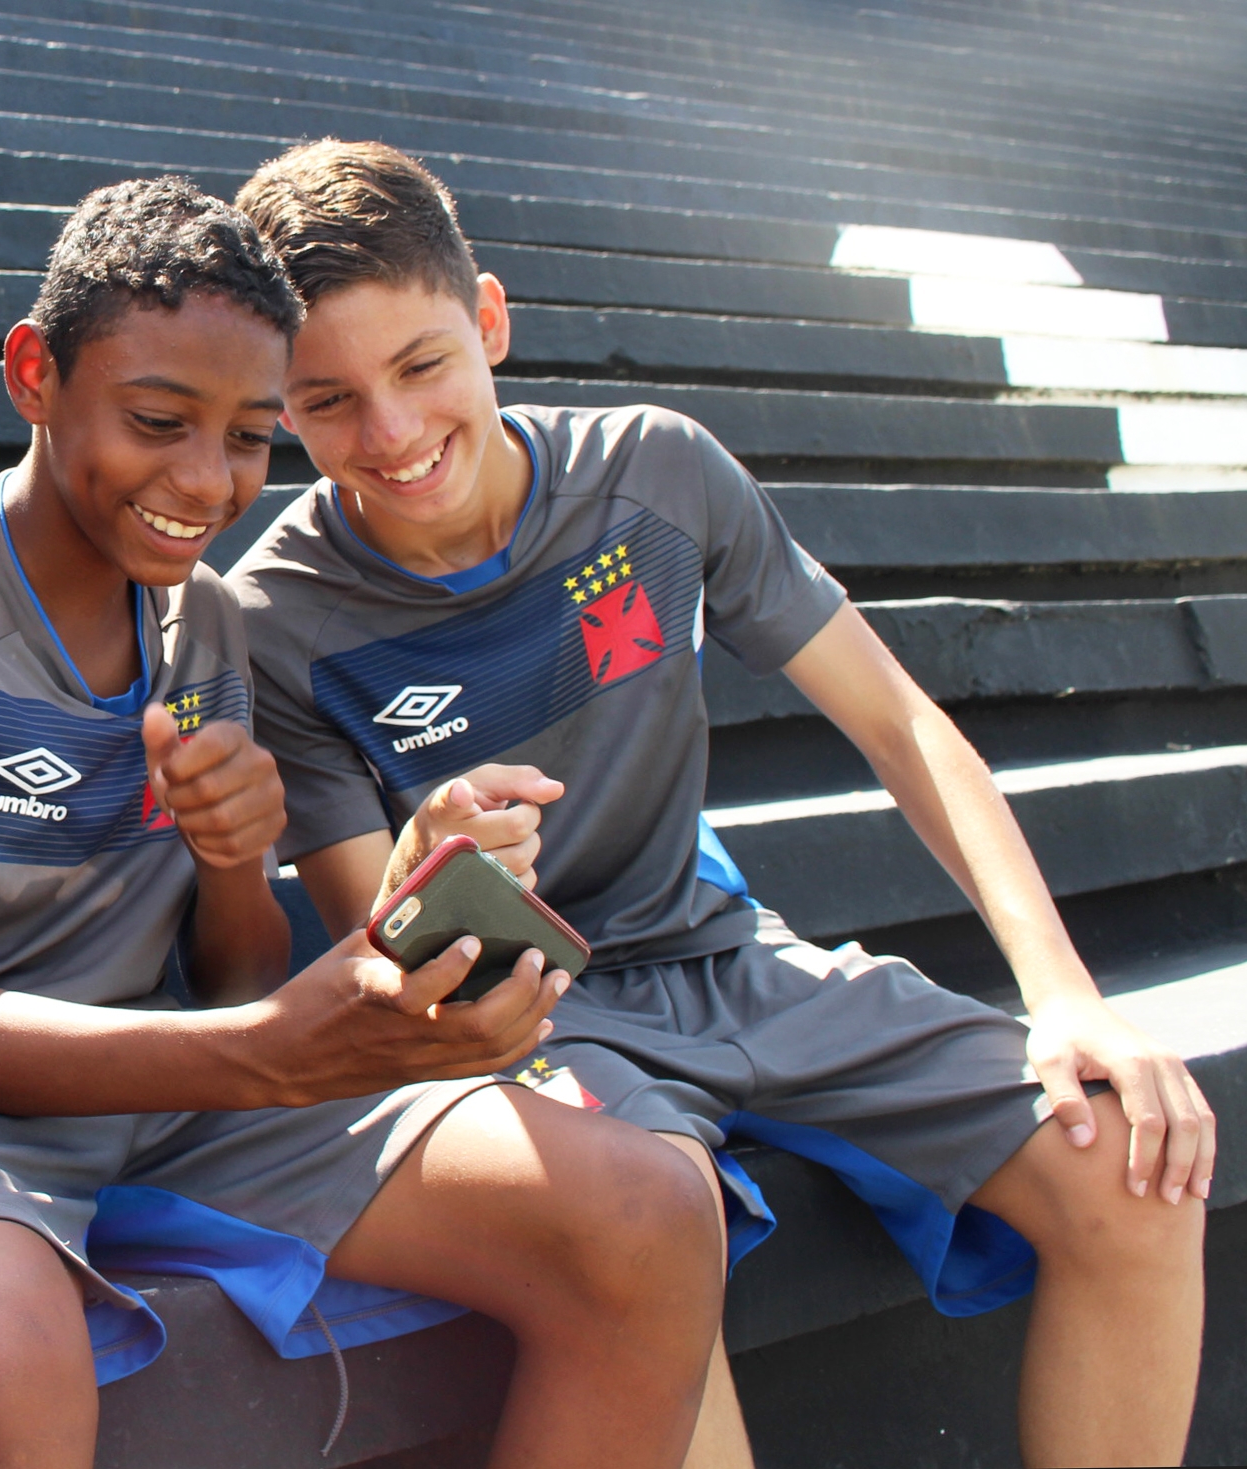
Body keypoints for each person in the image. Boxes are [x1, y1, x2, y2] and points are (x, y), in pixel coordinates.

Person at [226, 138, 1214, 1468]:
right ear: (280, 406)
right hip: (529, 1020)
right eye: (329, 400)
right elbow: (394, 958)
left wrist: (1065, 994)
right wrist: (424, 857)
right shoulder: (272, 620)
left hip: (727, 956)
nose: (391, 434)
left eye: (421, 365)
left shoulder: (655, 473)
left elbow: (900, 721)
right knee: (647, 1226)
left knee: (1134, 1168)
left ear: (490, 321)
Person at [0, 174, 722, 1469]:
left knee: (646, 1207)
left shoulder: (205, 622)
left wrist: (235, 862)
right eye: (158, 421)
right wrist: (263, 1051)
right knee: (4, 1345)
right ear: (33, 375)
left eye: (250, 436)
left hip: (164, 1079)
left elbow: (238, 976)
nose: (205, 481)